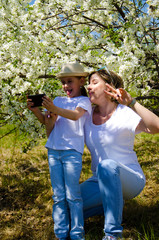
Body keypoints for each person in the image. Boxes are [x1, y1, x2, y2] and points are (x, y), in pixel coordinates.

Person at [80, 68, 159, 240]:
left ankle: (112, 234)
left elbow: (156, 127)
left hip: (130, 179)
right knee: (63, 209)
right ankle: (112, 203)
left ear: (109, 87)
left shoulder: (124, 113)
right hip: (99, 180)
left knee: (107, 165)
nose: (88, 87)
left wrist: (131, 102)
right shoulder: (86, 116)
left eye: (94, 82)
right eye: (88, 83)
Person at [27, 62, 92, 240]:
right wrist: (36, 111)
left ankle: (77, 233)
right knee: (58, 195)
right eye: (63, 82)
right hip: (54, 150)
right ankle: (61, 233)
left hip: (72, 152)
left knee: (73, 195)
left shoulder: (83, 101)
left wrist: (54, 109)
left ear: (81, 81)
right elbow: (48, 122)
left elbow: (75, 115)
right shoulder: (57, 100)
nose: (66, 86)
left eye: (69, 81)